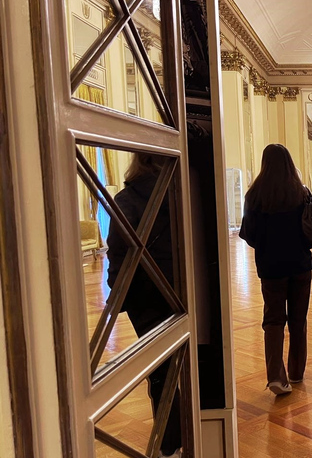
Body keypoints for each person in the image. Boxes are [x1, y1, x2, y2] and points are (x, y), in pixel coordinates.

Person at [106, 153, 181, 458]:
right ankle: (195, 426)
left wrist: (118, 290)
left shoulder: (125, 199)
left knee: (159, 369)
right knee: (189, 361)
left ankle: (169, 442)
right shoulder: (178, 195)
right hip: (180, 286)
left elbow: (118, 250)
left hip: (143, 293)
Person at [239, 144, 312, 396]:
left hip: (270, 267)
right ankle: (296, 372)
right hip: (300, 265)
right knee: (298, 320)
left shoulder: (254, 196)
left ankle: (275, 377)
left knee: (273, 321)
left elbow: (248, 235)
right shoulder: (301, 193)